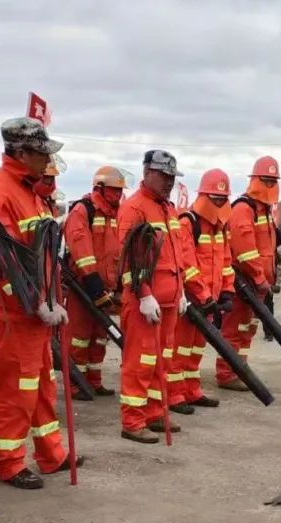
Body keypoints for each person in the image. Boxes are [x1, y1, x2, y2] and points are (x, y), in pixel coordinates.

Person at [0, 118, 74, 486]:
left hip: (36, 310)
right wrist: (37, 302)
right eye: (40, 154)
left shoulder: (29, 190)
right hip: (16, 312)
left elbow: (42, 253)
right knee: (16, 392)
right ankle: (11, 462)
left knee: (42, 388)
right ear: (20, 153)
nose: (45, 162)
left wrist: (51, 297)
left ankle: (51, 454)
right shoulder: (1, 194)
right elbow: (5, 263)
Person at [117, 149, 193, 442]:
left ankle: (153, 414)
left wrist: (182, 291)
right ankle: (132, 421)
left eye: (172, 177)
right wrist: (144, 294)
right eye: (163, 175)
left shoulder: (168, 209)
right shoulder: (135, 208)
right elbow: (129, 259)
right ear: (147, 173)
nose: (169, 182)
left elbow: (176, 255)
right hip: (144, 303)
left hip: (170, 300)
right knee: (140, 363)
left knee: (161, 360)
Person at [170, 168, 234, 410]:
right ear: (204, 196)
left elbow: (226, 263)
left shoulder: (220, 227)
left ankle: (191, 390)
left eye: (222, 199)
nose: (219, 203)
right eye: (215, 198)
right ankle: (174, 394)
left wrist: (227, 292)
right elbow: (187, 265)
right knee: (180, 348)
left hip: (208, 302)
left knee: (196, 348)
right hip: (190, 302)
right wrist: (204, 296)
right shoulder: (189, 223)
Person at [215, 156, 279, 392]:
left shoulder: (264, 210)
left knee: (247, 329)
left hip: (257, 284)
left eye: (273, 180)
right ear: (255, 179)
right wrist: (260, 279)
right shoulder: (244, 208)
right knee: (234, 330)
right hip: (245, 282)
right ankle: (226, 373)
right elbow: (245, 252)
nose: (270, 185)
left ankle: (239, 368)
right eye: (266, 180)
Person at [63, 165, 125, 399]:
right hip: (84, 286)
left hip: (106, 287)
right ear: (99, 188)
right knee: (79, 336)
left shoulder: (117, 213)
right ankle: (76, 384)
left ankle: (94, 380)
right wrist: (94, 285)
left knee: (100, 335)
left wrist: (116, 286)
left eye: (120, 191)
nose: (117, 195)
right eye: (113, 190)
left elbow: (119, 251)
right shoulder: (83, 210)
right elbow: (82, 252)